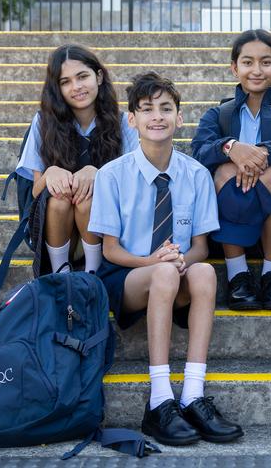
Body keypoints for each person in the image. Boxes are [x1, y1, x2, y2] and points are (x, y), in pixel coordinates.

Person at [88, 72, 243, 446]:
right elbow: (110, 251)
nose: (157, 116)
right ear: (132, 120)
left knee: (204, 273)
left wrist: (179, 262)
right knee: (163, 275)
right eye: (146, 110)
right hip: (128, 277)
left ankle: (192, 394)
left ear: (179, 118)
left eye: (166, 108)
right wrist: (156, 262)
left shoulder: (195, 174)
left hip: (178, 271)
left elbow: (202, 247)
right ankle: (159, 400)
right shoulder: (112, 175)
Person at [191, 28, 271, 310]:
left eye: (265, 62)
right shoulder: (217, 115)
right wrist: (231, 147)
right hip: (228, 216)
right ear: (234, 68)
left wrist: (263, 153)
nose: (256, 70)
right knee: (223, 171)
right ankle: (238, 273)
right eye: (247, 62)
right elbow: (198, 152)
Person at [15, 44, 138, 275]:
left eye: (82, 76)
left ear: (99, 76)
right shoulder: (43, 121)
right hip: (56, 231)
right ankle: (59, 272)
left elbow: (133, 185)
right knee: (59, 199)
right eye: (65, 81)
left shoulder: (123, 122)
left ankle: (94, 272)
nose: (76, 87)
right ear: (57, 88)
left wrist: (98, 174)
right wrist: (51, 172)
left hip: (107, 229)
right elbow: (34, 191)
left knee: (87, 199)